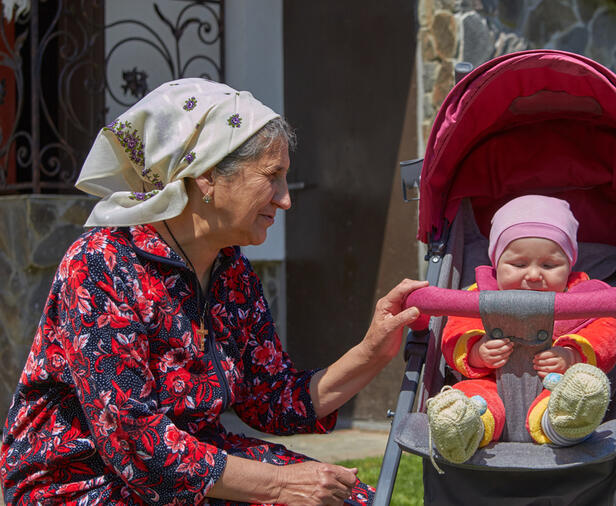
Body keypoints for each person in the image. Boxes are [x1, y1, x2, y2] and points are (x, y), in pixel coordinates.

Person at [0, 78, 426, 505]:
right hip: (81, 481)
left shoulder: (231, 272)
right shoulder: (101, 264)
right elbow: (136, 442)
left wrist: (373, 351)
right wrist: (282, 484)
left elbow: (272, 399)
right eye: (272, 176)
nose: (285, 200)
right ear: (206, 176)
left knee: (350, 501)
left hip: (193, 466)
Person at [426, 195, 616, 466]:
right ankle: (466, 428)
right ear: (496, 263)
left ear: (569, 265)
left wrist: (572, 356)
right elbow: (454, 333)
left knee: (569, 395)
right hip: (491, 383)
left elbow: (605, 336)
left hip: (554, 385)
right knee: (474, 396)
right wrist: (477, 352)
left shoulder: (585, 299)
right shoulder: (478, 296)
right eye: (518, 265)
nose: (533, 275)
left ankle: (565, 425)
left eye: (549, 266)